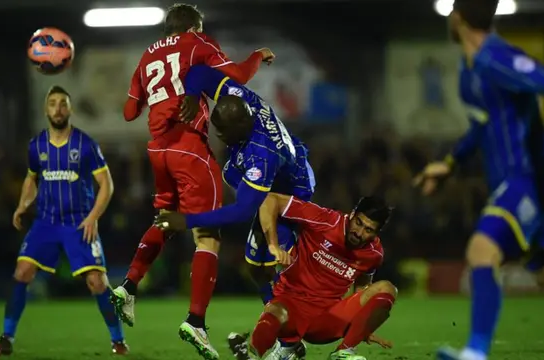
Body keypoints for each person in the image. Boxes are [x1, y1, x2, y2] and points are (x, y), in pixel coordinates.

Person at [413, 1, 544, 359]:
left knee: (481, 250)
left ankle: (475, 352)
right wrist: (449, 162)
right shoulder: (469, 70)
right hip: (510, 183)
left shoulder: (496, 59)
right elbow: (481, 127)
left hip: (527, 180)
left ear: (457, 18)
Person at [110, 3, 274, 359]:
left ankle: (128, 285)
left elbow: (128, 112)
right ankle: (196, 321)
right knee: (207, 236)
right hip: (190, 148)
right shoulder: (198, 43)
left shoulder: (145, 56)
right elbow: (239, 76)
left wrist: (159, 98)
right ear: (194, 26)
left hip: (157, 150)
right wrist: (258, 55)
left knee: (166, 219)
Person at [156, 64, 316, 359]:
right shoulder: (242, 99)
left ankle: (290, 344)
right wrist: (192, 96)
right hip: (275, 177)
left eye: (222, 132)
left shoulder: (261, 156)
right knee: (255, 266)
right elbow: (199, 73)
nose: (218, 135)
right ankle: (284, 331)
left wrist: (186, 220)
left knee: (280, 268)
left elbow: (243, 211)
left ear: (239, 129)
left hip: (290, 196)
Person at [0, 86, 127, 355]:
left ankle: (117, 341)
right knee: (22, 273)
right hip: (46, 222)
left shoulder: (86, 144)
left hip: (78, 222)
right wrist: (22, 205)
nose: (58, 109)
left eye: (63, 103)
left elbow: (106, 184)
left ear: (70, 109)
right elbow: (31, 178)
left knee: (97, 282)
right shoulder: (36, 145)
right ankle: (6, 338)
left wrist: (93, 217)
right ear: (45, 110)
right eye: (53, 104)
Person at [226, 193, 396, 360]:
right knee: (276, 312)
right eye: (358, 223)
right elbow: (270, 200)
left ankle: (343, 352)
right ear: (352, 214)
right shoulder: (326, 220)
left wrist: (362, 326)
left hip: (327, 320)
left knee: (387, 288)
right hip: (291, 305)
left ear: (377, 233)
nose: (359, 233)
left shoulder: (374, 254)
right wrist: (273, 245)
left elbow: (362, 288)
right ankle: (252, 355)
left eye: (368, 230)